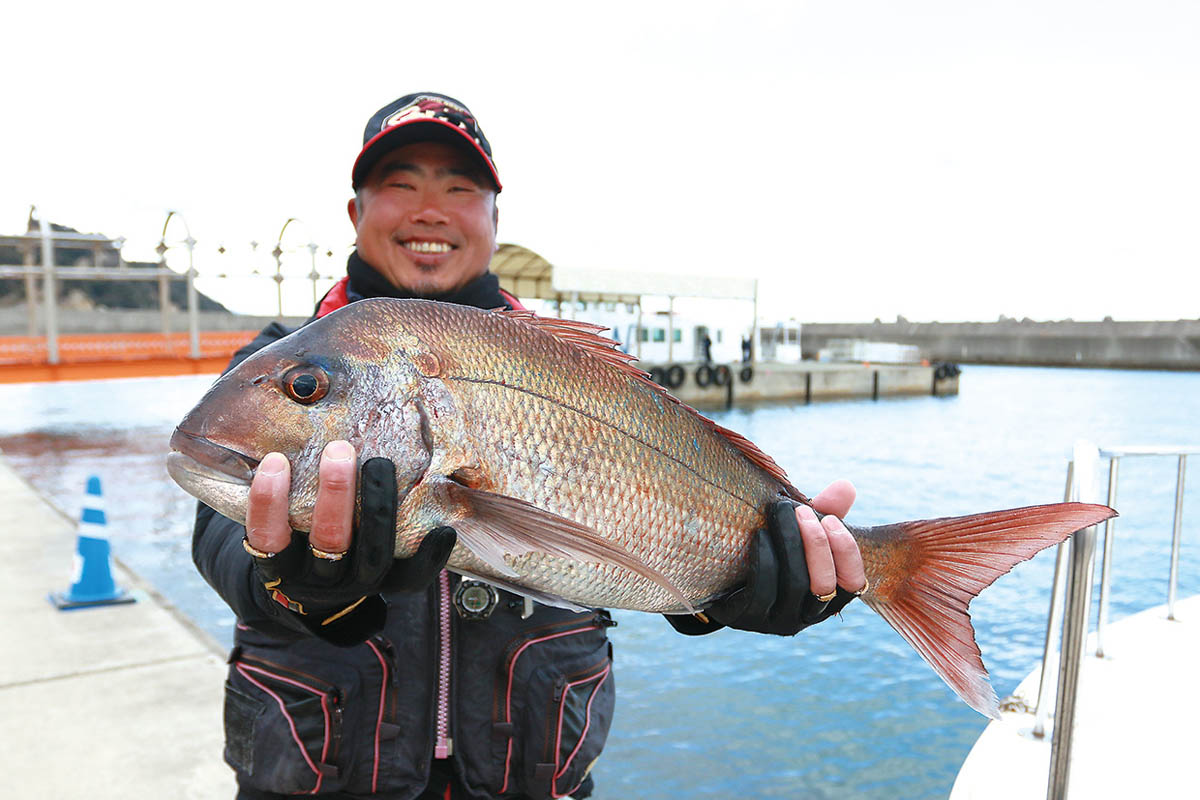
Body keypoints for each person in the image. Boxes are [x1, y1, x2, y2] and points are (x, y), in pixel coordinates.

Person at [192, 92, 866, 800]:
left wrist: (728, 591)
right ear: (357, 213)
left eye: (460, 188)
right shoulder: (275, 358)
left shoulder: (572, 373)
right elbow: (216, 534)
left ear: (492, 219)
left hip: (532, 774)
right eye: (399, 184)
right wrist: (293, 585)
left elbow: (650, 514)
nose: (429, 209)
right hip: (319, 773)